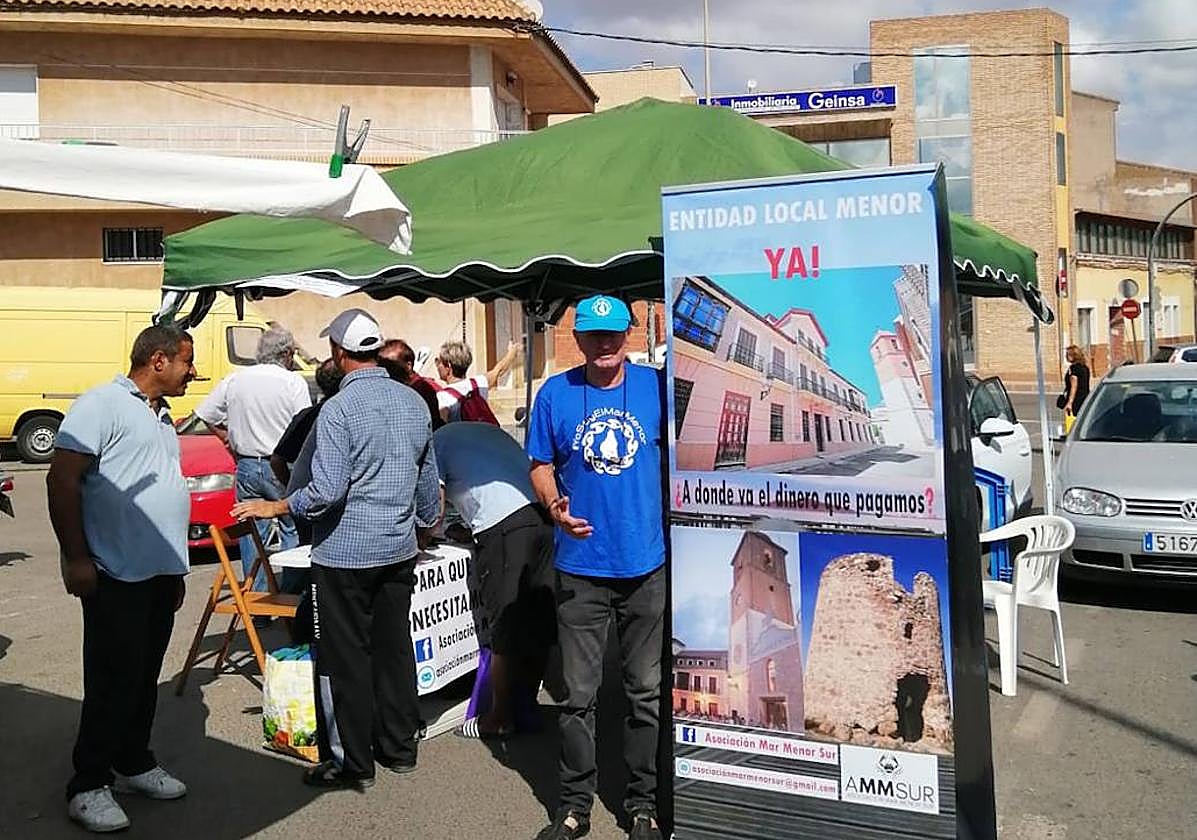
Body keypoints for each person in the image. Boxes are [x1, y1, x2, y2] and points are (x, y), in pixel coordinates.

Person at [232, 308, 441, 791]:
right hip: (397, 548)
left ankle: (354, 760)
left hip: (345, 554)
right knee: (393, 649)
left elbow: (326, 490)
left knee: (345, 658)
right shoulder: (412, 401)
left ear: (339, 353)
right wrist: (424, 525)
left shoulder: (338, 409)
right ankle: (399, 748)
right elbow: (427, 479)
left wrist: (278, 506)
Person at [526, 296, 667, 840]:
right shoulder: (555, 394)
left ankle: (642, 805)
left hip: (645, 564)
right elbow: (540, 464)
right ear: (579, 338)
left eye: (613, 334)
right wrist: (553, 505)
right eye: (593, 335)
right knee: (577, 696)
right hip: (580, 567)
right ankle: (573, 807)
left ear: (628, 335)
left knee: (645, 693)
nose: (605, 344)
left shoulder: (657, 387)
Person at [47, 325, 196, 833]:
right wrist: (76, 558)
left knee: (143, 676)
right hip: (113, 572)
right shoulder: (101, 404)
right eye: (186, 362)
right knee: (112, 679)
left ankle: (133, 762)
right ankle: (88, 784)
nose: (192, 372)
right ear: (158, 361)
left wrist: (174, 570)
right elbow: (62, 478)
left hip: (157, 574)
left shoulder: (161, 416)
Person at [432, 421, 555, 739]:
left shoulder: (434, 444)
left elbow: (434, 509)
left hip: (505, 527)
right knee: (537, 619)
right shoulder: (478, 431)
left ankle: (499, 717)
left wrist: (423, 536)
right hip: (541, 517)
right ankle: (525, 706)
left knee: (505, 625)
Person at [196, 324, 310, 590]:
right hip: (281, 464)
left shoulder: (236, 379)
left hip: (247, 463)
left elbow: (205, 413)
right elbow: (304, 426)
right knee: (291, 525)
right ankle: (291, 591)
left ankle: (255, 593)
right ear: (287, 353)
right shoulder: (292, 382)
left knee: (251, 530)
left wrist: (226, 438)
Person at [434, 338, 520, 423]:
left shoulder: (442, 397)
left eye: (438, 362)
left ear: (448, 366)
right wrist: (512, 352)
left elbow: (441, 426)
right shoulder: (478, 383)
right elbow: (499, 370)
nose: (437, 366)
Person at [379, 338, 443, 430]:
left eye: (390, 365)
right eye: (382, 364)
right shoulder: (390, 388)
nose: (385, 369)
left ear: (408, 365)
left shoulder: (420, 389)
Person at [1064, 344, 1091, 418]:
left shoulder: (1074, 369)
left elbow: (1074, 386)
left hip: (1076, 400)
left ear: (1074, 355)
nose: (1066, 357)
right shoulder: (1085, 367)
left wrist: (1070, 402)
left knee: (1074, 419)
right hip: (1085, 398)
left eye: (1068, 354)